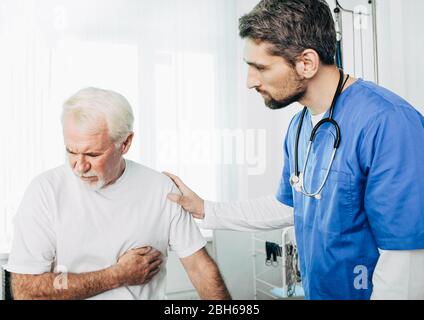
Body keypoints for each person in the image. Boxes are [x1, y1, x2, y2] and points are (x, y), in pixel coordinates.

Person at [165, 0, 424, 300]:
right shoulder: (300, 127)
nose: (250, 81)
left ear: (307, 63)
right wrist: (207, 210)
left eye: (260, 67)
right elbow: (292, 205)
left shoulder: (389, 123)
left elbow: (406, 262)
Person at [5, 87, 231, 300]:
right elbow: (26, 289)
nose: (79, 166)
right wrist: (116, 276)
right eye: (71, 151)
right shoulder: (45, 191)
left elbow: (200, 269)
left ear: (125, 143)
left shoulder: (161, 189)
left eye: (93, 154)